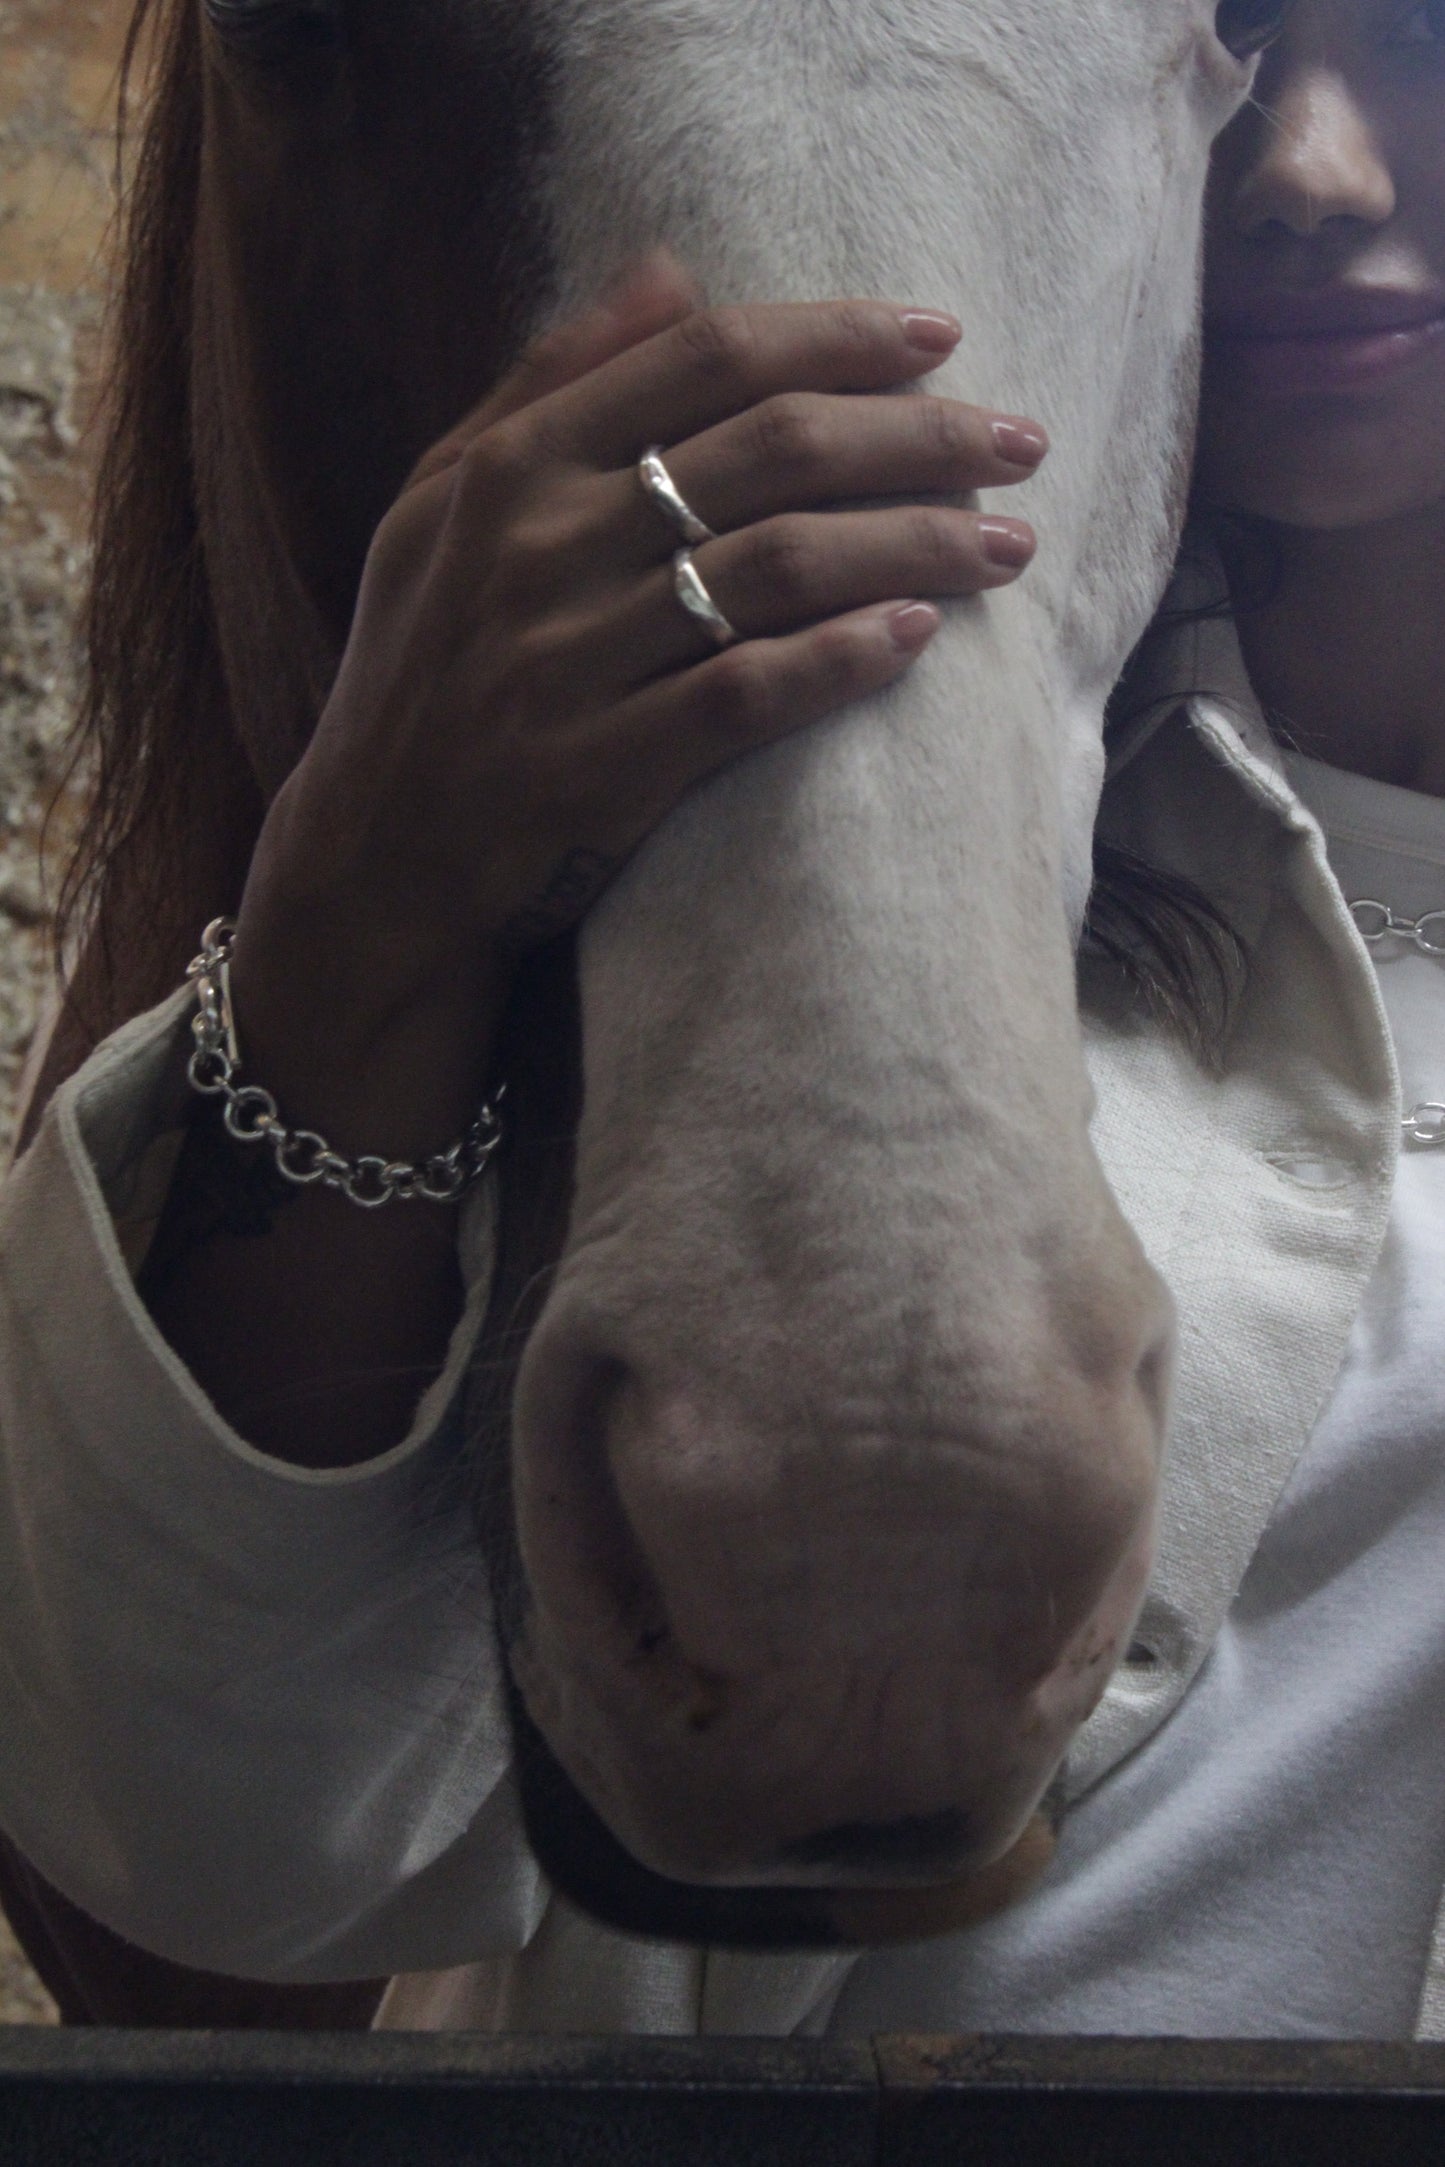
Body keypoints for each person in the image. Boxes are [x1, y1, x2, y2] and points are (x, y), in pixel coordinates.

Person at [2, 0, 1443, 2036]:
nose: (1303, 164)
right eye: (1261, 21)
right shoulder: (661, 833)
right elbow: (208, 1878)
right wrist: (362, 905)